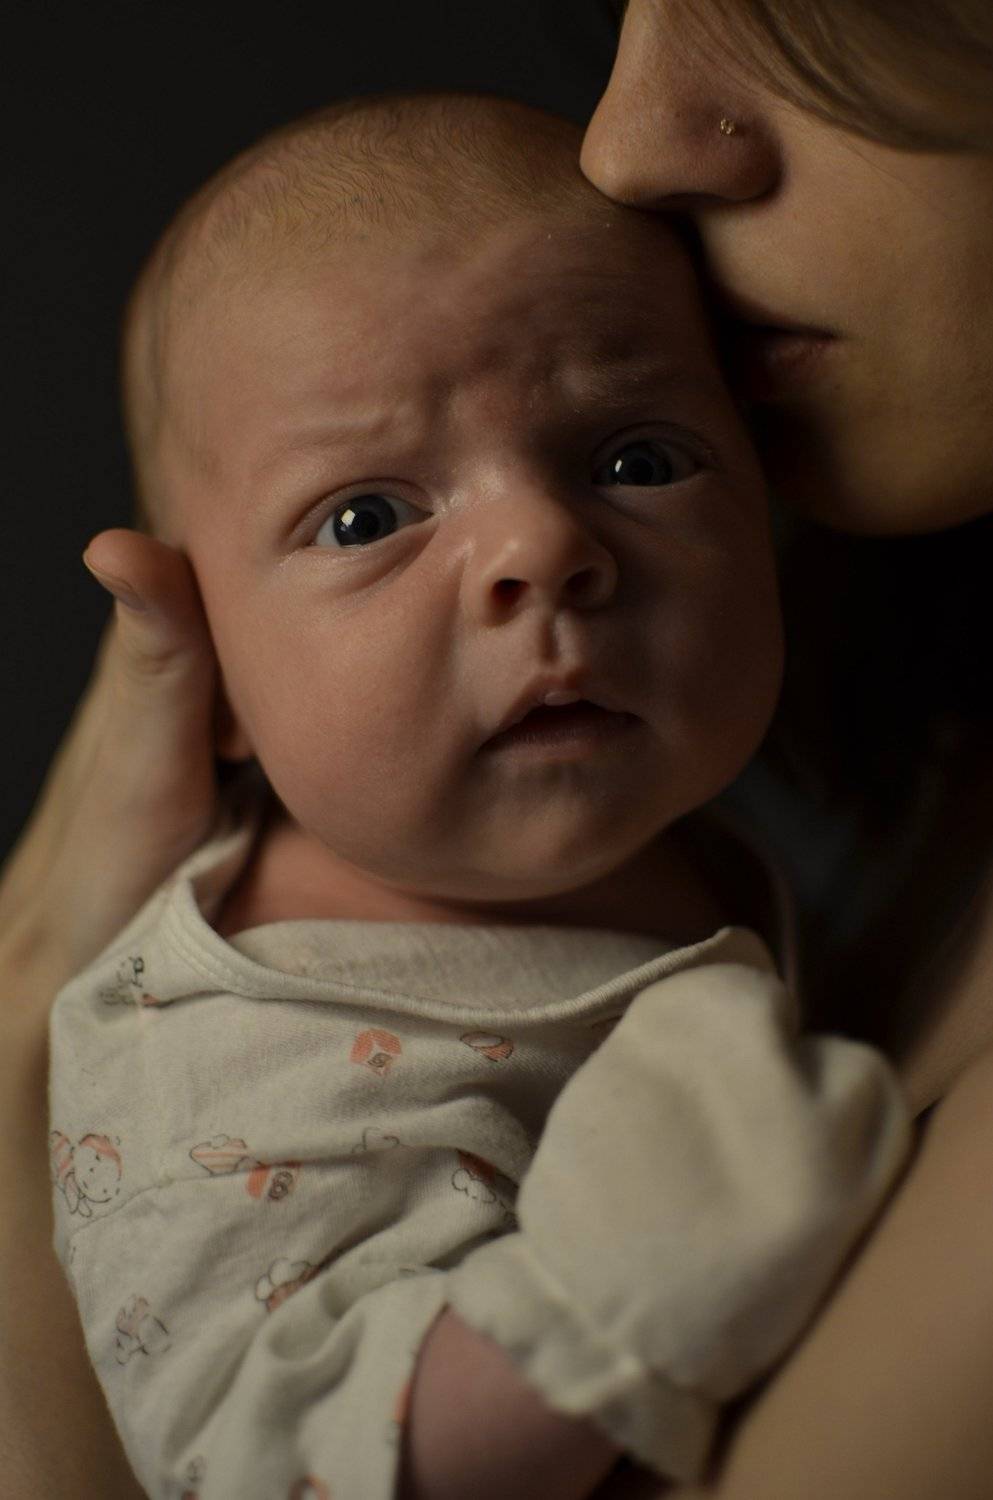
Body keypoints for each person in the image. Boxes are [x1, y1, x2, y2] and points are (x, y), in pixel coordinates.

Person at [4, 1, 993, 1496]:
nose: (539, 544)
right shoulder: (255, 1057)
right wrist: (597, 1306)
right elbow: (279, 1454)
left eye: (637, 459)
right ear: (206, 667)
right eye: (364, 517)